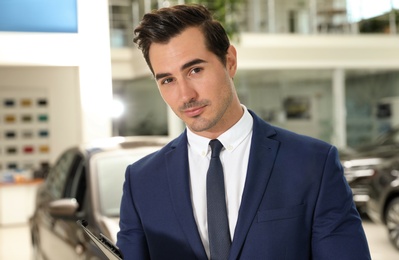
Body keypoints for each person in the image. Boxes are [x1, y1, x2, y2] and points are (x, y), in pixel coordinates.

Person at [117, 4, 371, 260]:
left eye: (195, 70)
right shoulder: (141, 182)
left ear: (229, 61)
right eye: (168, 80)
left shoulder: (314, 163)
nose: (185, 95)